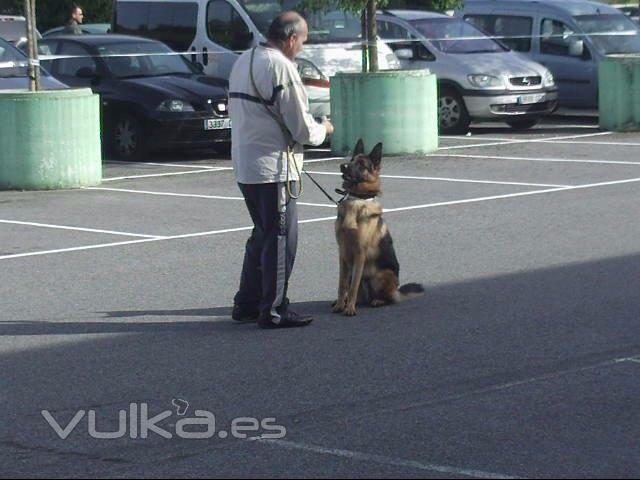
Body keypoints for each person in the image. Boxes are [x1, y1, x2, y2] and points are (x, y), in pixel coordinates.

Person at [228, 11, 334, 329]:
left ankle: (246, 304)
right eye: (302, 41)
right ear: (290, 39)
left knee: (262, 235)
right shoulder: (281, 67)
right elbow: (301, 128)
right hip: (273, 167)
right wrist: (325, 129)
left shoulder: (243, 60)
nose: (301, 48)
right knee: (281, 239)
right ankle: (274, 309)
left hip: (246, 163)